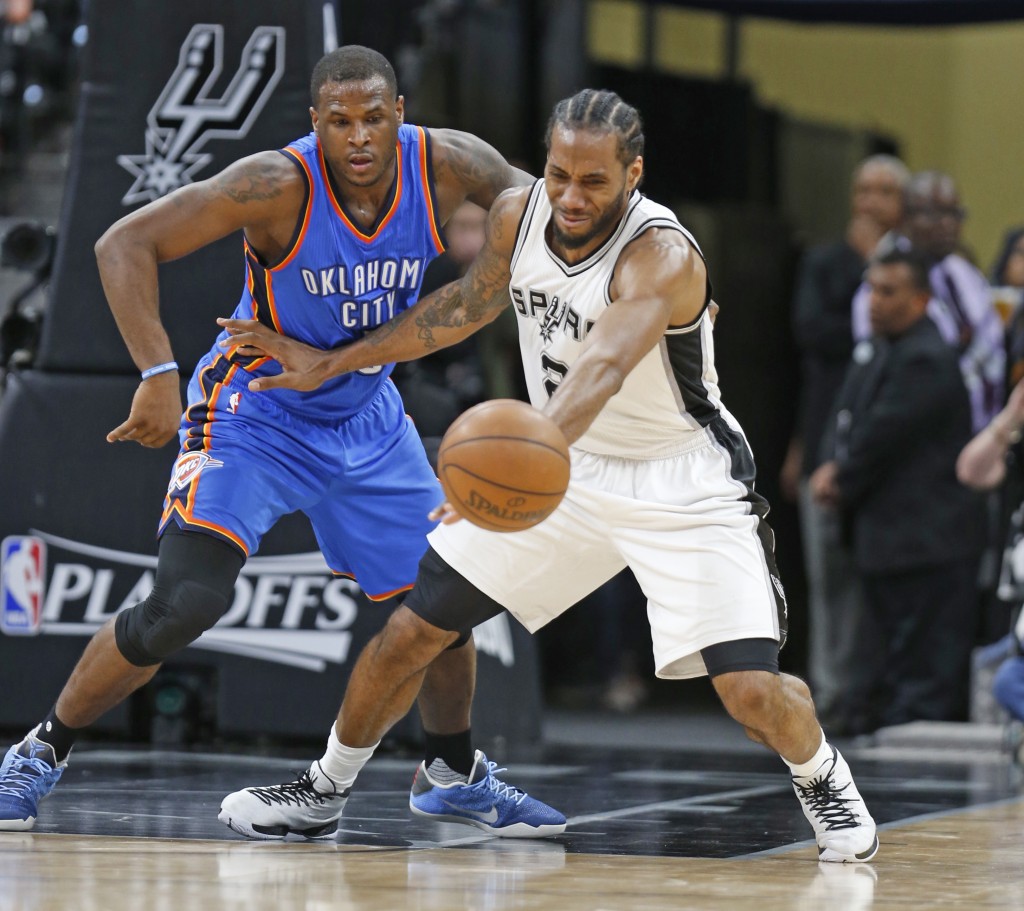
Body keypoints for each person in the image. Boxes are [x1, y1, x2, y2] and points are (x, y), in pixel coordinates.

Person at [217, 89, 878, 862]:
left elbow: (602, 365)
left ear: (634, 174)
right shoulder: (516, 215)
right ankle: (323, 789)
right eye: (559, 173)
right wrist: (338, 359)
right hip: (566, 465)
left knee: (752, 693)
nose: (569, 195)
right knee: (413, 629)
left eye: (593, 181)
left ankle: (821, 772)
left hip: (681, 479)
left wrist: (512, 463)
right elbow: (464, 304)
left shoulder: (661, 255)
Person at [0, 45, 565, 839]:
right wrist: (157, 371)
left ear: (400, 114)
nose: (359, 136)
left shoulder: (447, 164)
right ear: (316, 125)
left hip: (366, 412)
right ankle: (39, 750)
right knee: (183, 603)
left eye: (374, 117)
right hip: (256, 410)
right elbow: (121, 244)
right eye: (340, 121)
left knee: (446, 604)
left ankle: (452, 770)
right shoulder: (276, 185)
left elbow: (547, 211)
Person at [812, 248, 985, 731]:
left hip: (929, 543)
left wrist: (841, 475)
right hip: (894, 540)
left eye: (889, 292)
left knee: (924, 671)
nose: (875, 301)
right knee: (896, 660)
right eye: (872, 289)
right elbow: (849, 420)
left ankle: (918, 780)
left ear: (922, 300)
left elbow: (883, 433)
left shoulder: (925, 358)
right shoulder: (880, 351)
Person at [781, 155, 908, 734]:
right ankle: (829, 696)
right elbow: (811, 337)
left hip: (891, 451)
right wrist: (801, 446)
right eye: (865, 190)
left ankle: (872, 695)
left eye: (886, 191)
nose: (872, 202)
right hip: (827, 434)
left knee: (882, 577)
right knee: (827, 577)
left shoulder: (918, 268)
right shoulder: (827, 263)